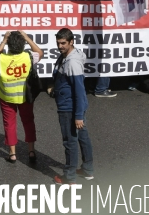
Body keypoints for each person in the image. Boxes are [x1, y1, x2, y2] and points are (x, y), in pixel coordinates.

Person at [0, 30, 43, 164]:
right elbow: (40, 52)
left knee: (9, 124)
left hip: (6, 97)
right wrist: (27, 37)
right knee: (28, 122)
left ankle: (12, 154)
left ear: (9, 45)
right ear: (23, 44)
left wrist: (4, 40)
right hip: (25, 96)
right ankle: (31, 151)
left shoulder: (2, 59)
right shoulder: (29, 56)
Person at [53, 27, 94, 184]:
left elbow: (79, 91)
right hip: (75, 106)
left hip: (69, 108)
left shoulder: (72, 63)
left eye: (63, 43)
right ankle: (87, 169)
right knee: (83, 138)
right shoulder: (68, 56)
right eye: (58, 43)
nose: (60, 46)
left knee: (70, 142)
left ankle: (69, 177)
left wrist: (78, 116)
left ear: (71, 42)